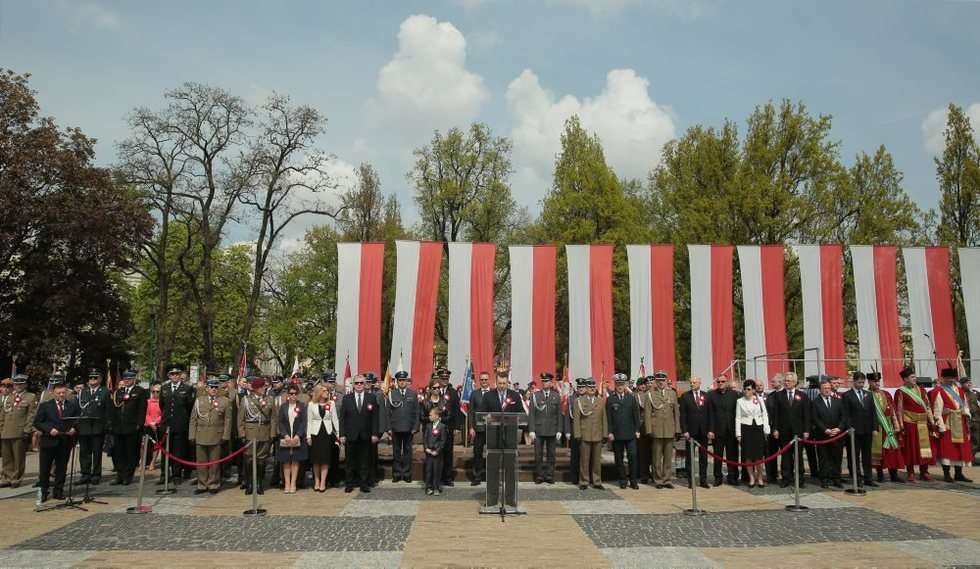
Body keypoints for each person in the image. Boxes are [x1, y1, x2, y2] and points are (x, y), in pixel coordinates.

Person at [33, 380, 80, 502]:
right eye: (58, 393)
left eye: (63, 393)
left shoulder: (72, 406)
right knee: (45, 468)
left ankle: (58, 491)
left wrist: (74, 429)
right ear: (53, 393)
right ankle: (43, 491)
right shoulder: (45, 406)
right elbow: (37, 422)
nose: (61, 395)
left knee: (61, 468)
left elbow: (77, 420)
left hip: (65, 441)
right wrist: (49, 430)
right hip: (49, 441)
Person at [188, 378, 232, 494]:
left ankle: (213, 484)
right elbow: (193, 419)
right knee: (201, 462)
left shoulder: (225, 401)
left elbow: (228, 420)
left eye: (216, 387)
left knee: (214, 462)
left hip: (216, 435)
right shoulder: (199, 401)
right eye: (211, 387)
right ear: (206, 388)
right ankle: (202, 484)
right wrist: (192, 435)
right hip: (201, 434)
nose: (214, 389)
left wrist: (225, 436)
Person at [339, 374, 380, 493]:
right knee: (350, 461)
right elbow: (342, 418)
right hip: (350, 434)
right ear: (353, 385)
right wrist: (342, 434)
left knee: (364, 461)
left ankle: (364, 483)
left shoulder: (371, 397)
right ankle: (349, 483)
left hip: (365, 435)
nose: (359, 385)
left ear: (365, 384)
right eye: (356, 383)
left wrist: (374, 434)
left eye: (361, 383)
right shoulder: (347, 398)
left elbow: (375, 418)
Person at [931, 367, 973, 482]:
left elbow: (965, 406)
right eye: (948, 378)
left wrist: (967, 414)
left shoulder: (960, 391)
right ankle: (947, 474)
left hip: (960, 423)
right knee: (947, 449)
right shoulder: (938, 391)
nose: (951, 380)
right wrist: (941, 426)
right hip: (948, 423)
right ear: (943, 379)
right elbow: (937, 411)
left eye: (952, 378)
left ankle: (958, 474)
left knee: (960, 449)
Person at [894, 366, 937, 482]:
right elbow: (899, 409)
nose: (915, 378)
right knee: (911, 449)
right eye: (912, 377)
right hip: (910, 423)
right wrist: (901, 426)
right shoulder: (900, 392)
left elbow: (927, 407)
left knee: (925, 449)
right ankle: (911, 472)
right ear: (905, 379)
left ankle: (924, 471)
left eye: (914, 376)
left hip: (923, 423)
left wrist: (932, 421)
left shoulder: (922, 390)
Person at [109, 371, 147, 485]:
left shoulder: (139, 391)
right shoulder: (119, 392)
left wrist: (139, 424)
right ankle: (119, 475)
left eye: (129, 379)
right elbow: (115, 409)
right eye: (125, 379)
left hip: (132, 427)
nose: (127, 381)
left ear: (134, 379)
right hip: (119, 427)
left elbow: (142, 409)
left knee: (131, 452)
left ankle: (128, 476)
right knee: (119, 452)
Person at [773, 371, 810, 487]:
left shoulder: (802, 395)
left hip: (798, 432)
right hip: (783, 431)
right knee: (786, 457)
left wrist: (806, 430)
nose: (786, 382)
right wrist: (775, 429)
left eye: (788, 381)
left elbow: (806, 415)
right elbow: (776, 414)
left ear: (794, 382)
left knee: (798, 456)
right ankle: (786, 478)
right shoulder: (779, 395)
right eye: (785, 380)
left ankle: (800, 479)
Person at [643, 371, 680, 489]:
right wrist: (648, 430)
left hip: (669, 428)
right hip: (656, 429)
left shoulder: (672, 394)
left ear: (666, 381)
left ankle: (667, 479)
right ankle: (658, 480)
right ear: (655, 382)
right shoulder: (650, 394)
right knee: (656, 457)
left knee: (668, 457)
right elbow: (647, 414)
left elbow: (676, 413)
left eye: (662, 381)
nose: (661, 383)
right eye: (658, 381)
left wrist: (677, 429)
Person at [239, 377, 276, 495]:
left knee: (261, 459)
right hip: (250, 431)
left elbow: (273, 418)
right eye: (261, 387)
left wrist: (272, 433)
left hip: (264, 430)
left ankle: (260, 483)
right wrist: (242, 433)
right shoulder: (246, 400)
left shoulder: (270, 399)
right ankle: (250, 483)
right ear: (255, 389)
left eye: (264, 386)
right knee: (250, 458)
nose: (264, 389)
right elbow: (240, 419)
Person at [160, 366, 195, 484]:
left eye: (177, 374)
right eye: (172, 374)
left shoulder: (187, 388)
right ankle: (164, 474)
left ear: (180, 375)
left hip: (180, 424)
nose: (174, 376)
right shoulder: (164, 388)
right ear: (169, 376)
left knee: (178, 451)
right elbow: (162, 405)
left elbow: (190, 406)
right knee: (165, 451)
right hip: (166, 424)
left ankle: (176, 474)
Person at [867, 372, 905, 483]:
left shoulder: (886, 394)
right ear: (869, 382)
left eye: (878, 381)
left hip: (888, 427)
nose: (877, 383)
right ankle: (880, 475)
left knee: (892, 451)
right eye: (874, 381)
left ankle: (894, 474)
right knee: (879, 452)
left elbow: (893, 410)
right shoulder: (867, 395)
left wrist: (896, 425)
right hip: (876, 427)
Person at [811, 378, 848, 489]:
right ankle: (825, 479)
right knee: (824, 458)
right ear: (820, 390)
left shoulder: (838, 401)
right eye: (824, 388)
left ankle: (836, 478)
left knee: (837, 458)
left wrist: (839, 428)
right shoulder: (815, 402)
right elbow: (815, 418)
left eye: (828, 388)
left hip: (837, 435)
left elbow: (843, 417)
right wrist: (824, 429)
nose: (827, 390)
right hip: (822, 435)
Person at [606, 373, 641, 490]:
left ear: (625, 385)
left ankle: (633, 480)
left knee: (633, 456)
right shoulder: (610, 399)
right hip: (617, 434)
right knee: (619, 458)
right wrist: (609, 432)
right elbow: (608, 418)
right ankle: (622, 480)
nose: (620, 386)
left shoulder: (631, 398)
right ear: (615, 385)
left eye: (622, 384)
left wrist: (637, 430)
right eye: (618, 384)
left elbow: (636, 416)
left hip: (630, 433)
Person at [1, 375, 36, 488]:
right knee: (6, 456)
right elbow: (3, 414)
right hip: (6, 430)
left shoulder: (30, 397)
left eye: (21, 384)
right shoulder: (9, 397)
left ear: (25, 385)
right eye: (16, 384)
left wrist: (27, 430)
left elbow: (31, 415)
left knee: (18, 457)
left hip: (20, 430)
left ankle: (16, 478)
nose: (18, 386)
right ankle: (6, 477)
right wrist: (1, 428)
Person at [843, 371, 877, 487]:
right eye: (859, 382)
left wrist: (874, 427)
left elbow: (873, 412)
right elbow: (845, 414)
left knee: (867, 455)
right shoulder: (847, 395)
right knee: (854, 456)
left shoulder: (868, 394)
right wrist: (849, 428)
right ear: (854, 382)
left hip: (867, 430)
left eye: (863, 382)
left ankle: (869, 477)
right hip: (854, 431)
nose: (861, 385)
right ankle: (857, 478)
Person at [528, 372, 563, 485]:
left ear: (551, 382)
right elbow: (532, 414)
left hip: (552, 430)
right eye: (543, 381)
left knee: (551, 455)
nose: (544, 383)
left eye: (546, 381)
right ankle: (539, 475)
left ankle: (549, 475)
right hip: (538, 430)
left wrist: (559, 430)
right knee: (538, 455)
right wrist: (531, 430)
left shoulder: (556, 396)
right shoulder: (536, 396)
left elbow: (558, 414)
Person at [735, 379, 770, 488]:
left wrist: (766, 428)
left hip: (758, 428)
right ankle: (751, 477)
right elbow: (738, 418)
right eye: (744, 389)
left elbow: (764, 414)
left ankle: (759, 477)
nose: (746, 391)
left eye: (749, 389)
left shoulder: (759, 399)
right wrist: (738, 434)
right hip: (746, 429)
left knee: (759, 456)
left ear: (754, 390)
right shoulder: (740, 401)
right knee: (748, 456)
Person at [77, 368, 109, 485]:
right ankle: (85, 474)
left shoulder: (105, 391)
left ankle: (96, 474)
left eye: (95, 378)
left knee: (96, 452)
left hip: (97, 426)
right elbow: (78, 408)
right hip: (84, 426)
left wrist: (106, 426)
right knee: (84, 452)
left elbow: (107, 410)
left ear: (100, 379)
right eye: (91, 378)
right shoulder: (83, 391)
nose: (93, 380)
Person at [573, 378, 606, 490]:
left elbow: (604, 419)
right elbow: (576, 419)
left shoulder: (600, 401)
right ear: (586, 388)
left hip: (597, 434)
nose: (592, 389)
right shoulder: (579, 401)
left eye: (593, 387)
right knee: (584, 460)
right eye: (590, 387)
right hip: (585, 434)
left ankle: (597, 481)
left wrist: (605, 434)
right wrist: (577, 434)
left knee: (597, 461)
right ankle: (584, 481)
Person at [306, 382, 340, 493]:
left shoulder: (331, 403)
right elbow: (309, 422)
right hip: (315, 433)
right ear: (319, 392)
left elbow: (335, 419)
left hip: (327, 433)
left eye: (327, 391)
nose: (327, 393)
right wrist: (308, 436)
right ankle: (316, 481)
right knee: (316, 460)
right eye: (324, 391)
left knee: (325, 459)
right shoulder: (311, 404)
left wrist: (339, 434)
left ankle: (323, 482)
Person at [707, 375, 739, 486]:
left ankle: (733, 477)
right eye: (718, 381)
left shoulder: (734, 395)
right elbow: (710, 414)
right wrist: (710, 430)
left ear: (727, 382)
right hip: (717, 430)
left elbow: (737, 413)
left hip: (731, 430)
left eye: (723, 381)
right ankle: (718, 477)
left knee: (733, 455)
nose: (720, 383)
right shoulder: (711, 395)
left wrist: (738, 431)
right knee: (718, 456)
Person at [389, 371, 420, 483]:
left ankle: (407, 474)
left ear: (407, 381)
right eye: (400, 380)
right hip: (396, 428)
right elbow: (389, 412)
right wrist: (389, 428)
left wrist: (415, 427)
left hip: (408, 428)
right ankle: (397, 474)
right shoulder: (392, 394)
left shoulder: (412, 394)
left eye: (404, 380)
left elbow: (417, 412)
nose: (402, 382)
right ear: (397, 382)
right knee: (396, 452)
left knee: (407, 452)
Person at [275, 384, 308, 494]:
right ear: (288, 394)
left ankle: (293, 483)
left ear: (298, 394)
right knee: (286, 461)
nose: (293, 395)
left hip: (297, 437)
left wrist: (298, 435)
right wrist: (285, 435)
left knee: (295, 461)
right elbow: (280, 422)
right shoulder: (283, 406)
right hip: (287, 437)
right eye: (291, 393)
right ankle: (287, 483)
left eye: (295, 393)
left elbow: (304, 422)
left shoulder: (302, 406)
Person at [679, 376, 709, 489]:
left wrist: (710, 430)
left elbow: (709, 414)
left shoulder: (706, 396)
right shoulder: (685, 396)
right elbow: (683, 415)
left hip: (703, 431)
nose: (692, 384)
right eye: (691, 382)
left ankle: (703, 480)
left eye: (694, 382)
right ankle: (691, 481)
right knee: (690, 458)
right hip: (690, 432)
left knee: (704, 457)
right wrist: (685, 430)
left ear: (699, 383)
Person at [435, 368, 460, 486]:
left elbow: (456, 411)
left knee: (448, 453)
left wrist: (456, 427)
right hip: (436, 427)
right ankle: (437, 477)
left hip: (449, 428)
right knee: (437, 452)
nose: (445, 380)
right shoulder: (433, 391)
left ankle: (448, 478)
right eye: (443, 378)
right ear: (438, 379)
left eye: (446, 378)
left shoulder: (453, 392)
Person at [467, 371, 491, 485]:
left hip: (492, 428)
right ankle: (477, 476)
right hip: (478, 429)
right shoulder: (474, 394)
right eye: (482, 379)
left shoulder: (494, 393)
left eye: (486, 379)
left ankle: (492, 476)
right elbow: (471, 412)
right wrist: (471, 427)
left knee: (492, 453)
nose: (484, 381)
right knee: (477, 453)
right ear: (479, 381)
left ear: (489, 380)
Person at [366, 372, 387, 486]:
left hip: (374, 430)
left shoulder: (378, 394)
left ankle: (372, 478)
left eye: (370, 382)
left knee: (372, 455)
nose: (368, 384)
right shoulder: (359, 393)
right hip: (362, 430)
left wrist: (380, 430)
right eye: (366, 382)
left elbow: (381, 413)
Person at [763, 374, 783, 484]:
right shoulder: (770, 396)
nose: (771, 383)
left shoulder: (786, 394)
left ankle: (786, 475)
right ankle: (771, 476)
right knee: (770, 453)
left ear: (780, 382)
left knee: (787, 454)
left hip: (784, 429)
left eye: (773, 382)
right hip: (771, 429)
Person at [423, 407, 447, 495]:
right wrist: (426, 448)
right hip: (429, 452)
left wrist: (437, 451)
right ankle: (428, 487)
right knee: (429, 470)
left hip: (437, 453)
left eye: (431, 415)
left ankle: (436, 487)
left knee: (437, 470)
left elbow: (443, 441)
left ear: (437, 416)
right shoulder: (428, 426)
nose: (429, 416)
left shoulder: (442, 426)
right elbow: (425, 439)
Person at [567, 378, 586, 486]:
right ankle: (574, 477)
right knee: (575, 456)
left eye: (583, 387)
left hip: (587, 431)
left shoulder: (589, 398)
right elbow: (567, 417)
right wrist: (567, 431)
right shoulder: (571, 399)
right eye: (579, 387)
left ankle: (585, 477)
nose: (581, 389)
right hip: (574, 430)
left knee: (586, 456)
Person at [634, 376, 652, 484]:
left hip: (650, 426)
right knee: (641, 452)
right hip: (640, 425)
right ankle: (642, 474)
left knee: (651, 452)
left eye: (645, 384)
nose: (643, 386)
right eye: (641, 384)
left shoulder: (649, 394)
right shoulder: (634, 396)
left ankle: (650, 472)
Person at [144, 382, 162, 472]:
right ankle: (143, 462)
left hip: (157, 426)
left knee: (156, 445)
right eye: (153, 391)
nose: (155, 393)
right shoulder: (148, 402)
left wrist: (155, 422)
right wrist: (150, 423)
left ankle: (152, 462)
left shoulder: (162, 402)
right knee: (144, 445)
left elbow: (163, 414)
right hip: (148, 425)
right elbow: (146, 414)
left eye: (158, 392)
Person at [964, 377, 980, 466]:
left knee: (976, 440)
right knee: (968, 441)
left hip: (976, 420)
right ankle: (968, 459)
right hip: (967, 420)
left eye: (970, 382)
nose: (969, 384)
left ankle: (972, 458)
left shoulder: (975, 394)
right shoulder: (960, 393)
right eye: (967, 383)